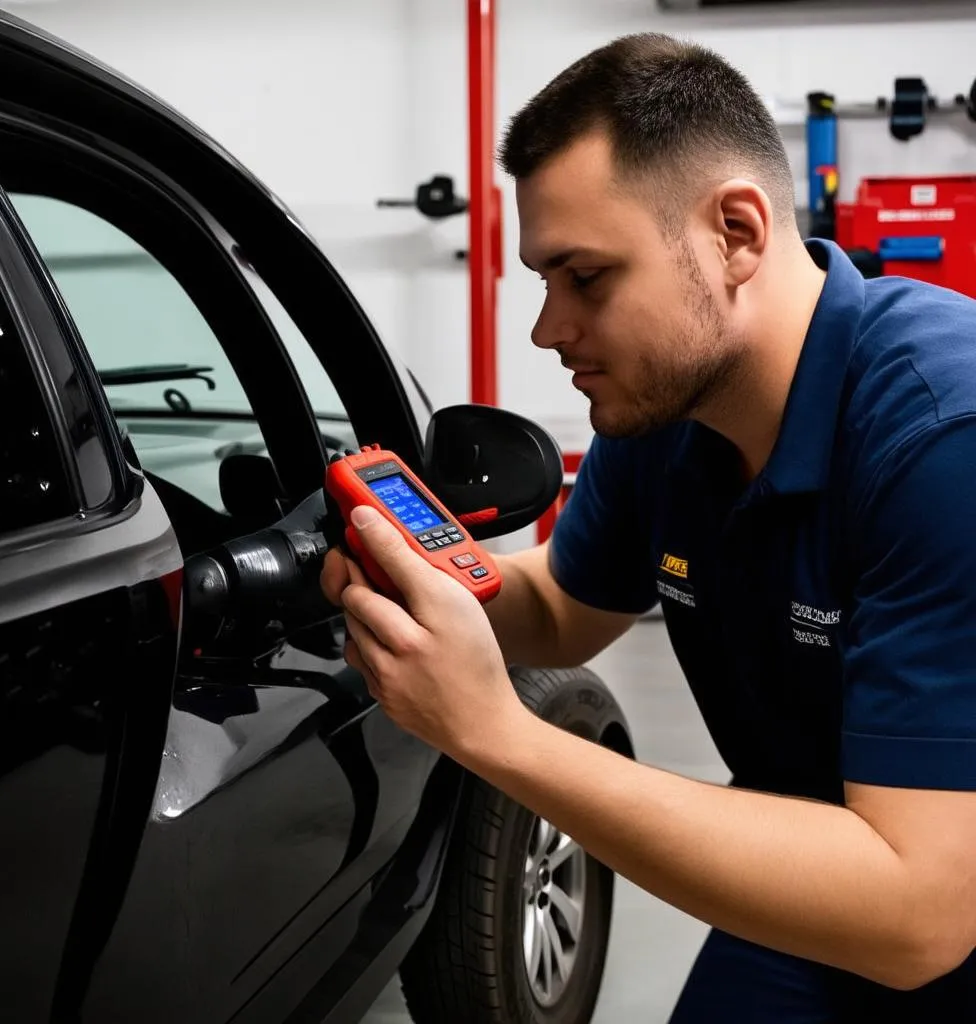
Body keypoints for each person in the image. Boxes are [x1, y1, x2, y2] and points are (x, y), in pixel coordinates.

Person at [320, 33, 976, 1021]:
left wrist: (496, 732)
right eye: (543, 280)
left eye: (584, 278)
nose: (548, 328)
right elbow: (560, 608)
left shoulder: (939, 436)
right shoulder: (670, 412)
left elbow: (921, 918)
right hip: (824, 850)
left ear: (737, 235)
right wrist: (425, 590)